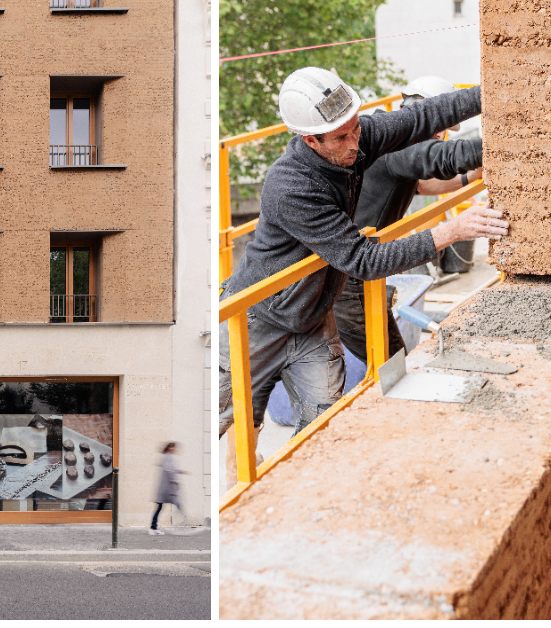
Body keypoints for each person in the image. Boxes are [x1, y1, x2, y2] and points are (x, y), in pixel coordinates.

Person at [219, 67, 508, 447]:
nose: (356, 142)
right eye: (342, 137)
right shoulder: (290, 185)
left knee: (324, 420)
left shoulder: (356, 136)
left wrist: (501, 89)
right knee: (221, 415)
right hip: (257, 317)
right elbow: (363, 260)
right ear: (311, 140)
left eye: (356, 128)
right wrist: (453, 231)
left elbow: (423, 116)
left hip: (311, 315)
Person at [332, 75, 487, 367]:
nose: (442, 133)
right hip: (347, 277)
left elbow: (420, 185)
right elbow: (444, 159)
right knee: (391, 361)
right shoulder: (397, 147)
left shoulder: (388, 137)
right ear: (419, 110)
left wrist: (470, 177)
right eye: (438, 125)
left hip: (358, 264)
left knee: (386, 357)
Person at [150, 441, 182, 534]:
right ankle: (153, 528)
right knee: (176, 503)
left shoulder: (166, 457)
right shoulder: (168, 457)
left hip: (165, 488)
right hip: (166, 488)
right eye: (174, 448)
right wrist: (174, 481)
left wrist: (181, 472)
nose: (175, 449)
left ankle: (153, 527)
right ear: (170, 448)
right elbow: (169, 470)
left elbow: (171, 469)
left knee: (159, 507)